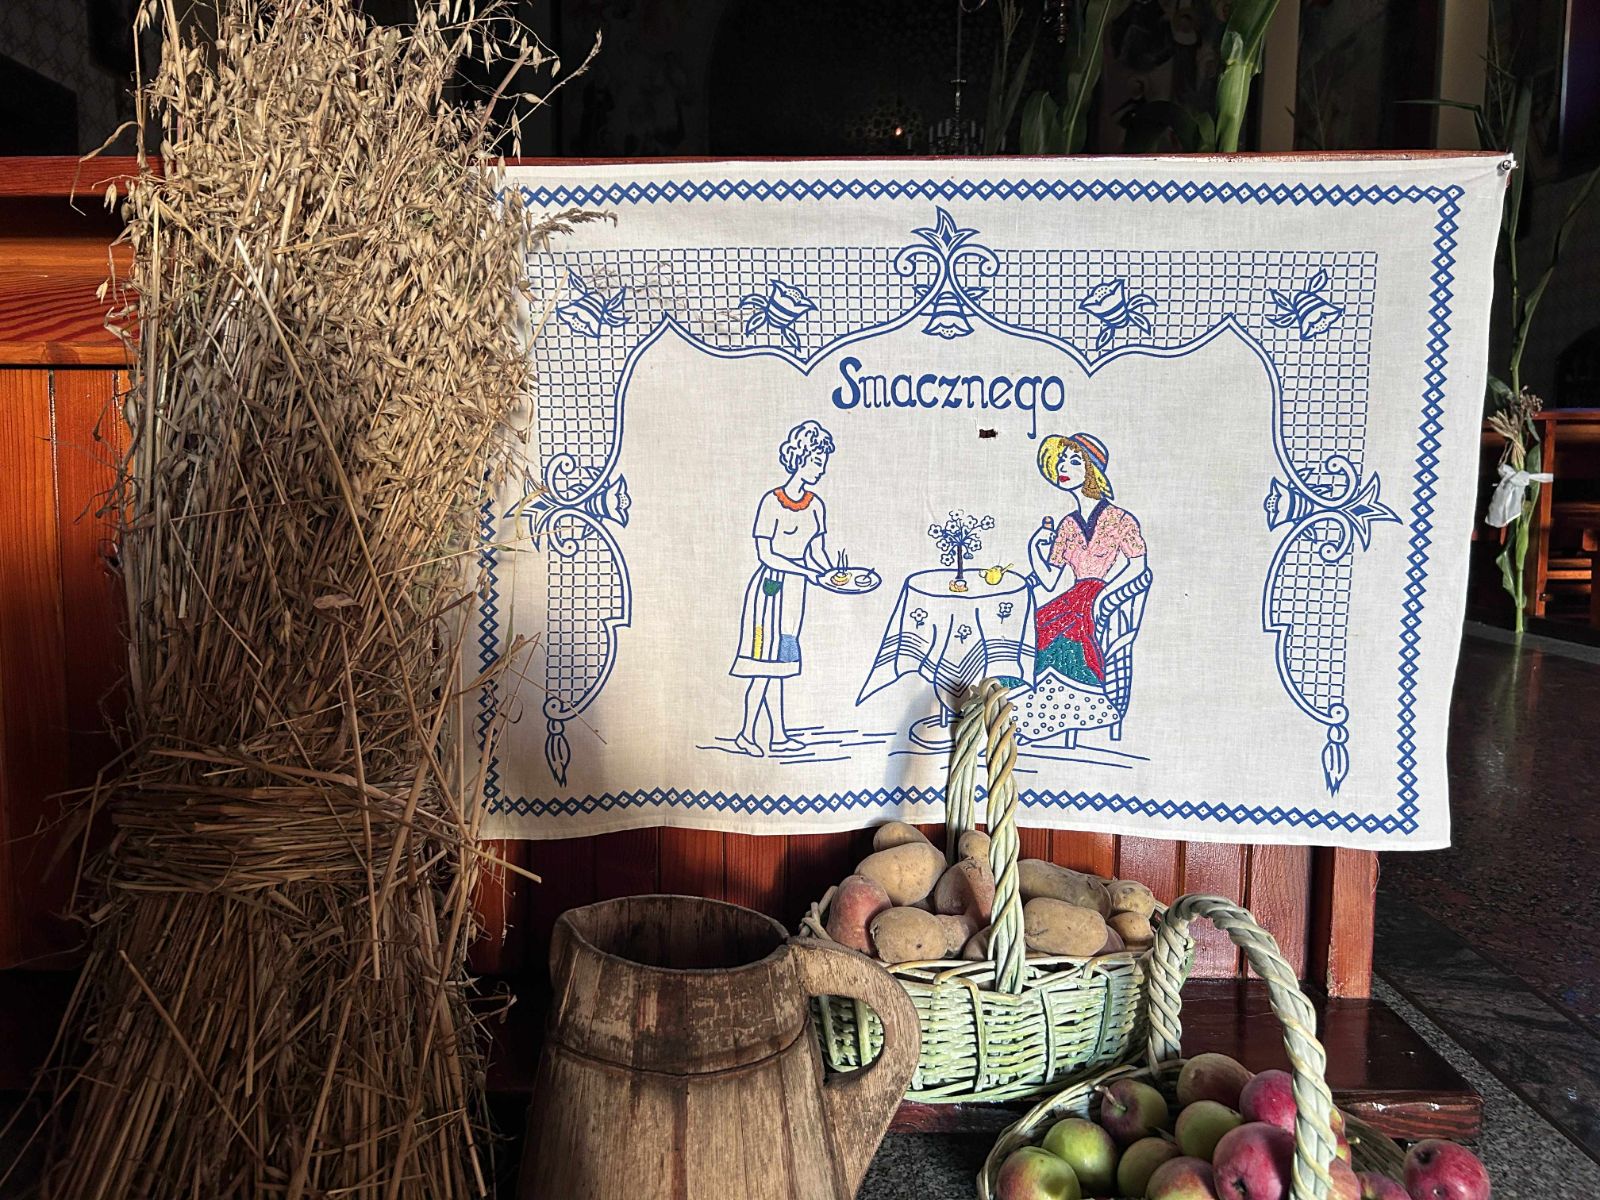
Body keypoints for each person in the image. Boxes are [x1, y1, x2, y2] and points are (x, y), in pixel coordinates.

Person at [729, 421, 838, 755]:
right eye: (816, 461)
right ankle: (746, 733)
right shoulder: (771, 502)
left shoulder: (815, 505)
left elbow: (816, 551)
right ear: (800, 458)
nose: (821, 469)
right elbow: (766, 554)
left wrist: (833, 574)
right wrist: (808, 572)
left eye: (823, 463)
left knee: (781, 664)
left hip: (794, 594)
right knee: (764, 666)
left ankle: (777, 735)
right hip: (769, 592)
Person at [1026, 432, 1147, 685]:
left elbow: (1138, 565)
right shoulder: (1068, 525)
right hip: (1074, 596)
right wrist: (1035, 548)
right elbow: (1050, 580)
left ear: (1092, 471)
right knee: (1039, 621)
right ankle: (1046, 686)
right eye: (1061, 460)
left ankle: (1081, 686)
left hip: (1098, 595)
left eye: (1074, 461)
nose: (1063, 467)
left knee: (1070, 625)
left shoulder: (1119, 519)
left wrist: (1106, 594)